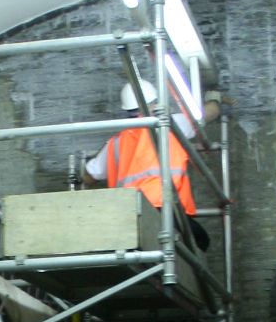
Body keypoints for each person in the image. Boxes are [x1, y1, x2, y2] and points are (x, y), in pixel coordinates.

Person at [85, 82, 208, 248]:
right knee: (201, 241)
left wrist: (80, 180)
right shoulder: (169, 125)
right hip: (164, 210)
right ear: (155, 103)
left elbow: (90, 176)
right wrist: (215, 100)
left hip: (127, 218)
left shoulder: (115, 143)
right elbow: (203, 116)